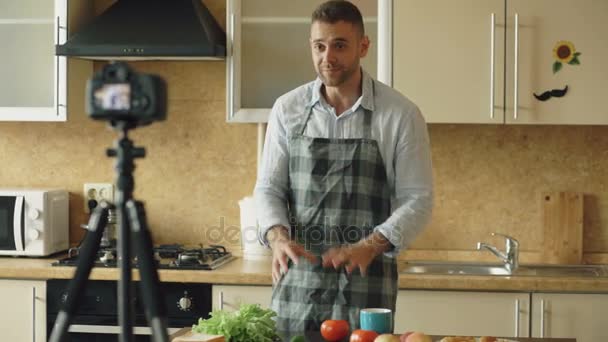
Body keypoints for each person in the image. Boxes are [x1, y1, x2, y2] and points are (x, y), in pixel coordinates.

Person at [254, 0, 433, 339]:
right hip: (299, 280)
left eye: (339, 45)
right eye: (319, 46)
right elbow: (268, 188)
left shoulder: (400, 115)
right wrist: (277, 237)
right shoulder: (286, 109)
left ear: (363, 46)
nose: (327, 57)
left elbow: (418, 199)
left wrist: (371, 244)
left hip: (366, 282)